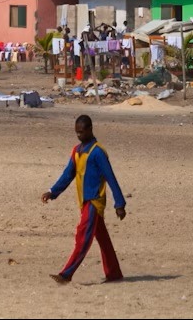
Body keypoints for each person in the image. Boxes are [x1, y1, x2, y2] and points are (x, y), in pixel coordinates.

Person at [41, 114, 127, 284]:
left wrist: (120, 203)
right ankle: (114, 273)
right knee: (102, 239)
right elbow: (68, 174)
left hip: (94, 201)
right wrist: (52, 191)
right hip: (83, 201)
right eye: (77, 133)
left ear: (89, 129)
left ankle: (66, 274)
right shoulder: (77, 151)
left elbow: (110, 177)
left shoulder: (97, 152)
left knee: (83, 236)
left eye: (81, 132)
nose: (79, 135)